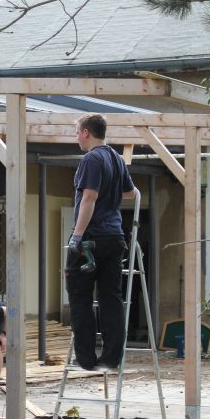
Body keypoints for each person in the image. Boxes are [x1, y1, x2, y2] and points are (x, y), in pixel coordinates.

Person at [67, 113, 137, 371]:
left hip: (91, 238)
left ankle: (85, 359)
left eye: (77, 132)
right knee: (111, 298)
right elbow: (131, 193)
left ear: (86, 132)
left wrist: (77, 234)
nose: (77, 138)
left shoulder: (91, 159)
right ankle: (110, 358)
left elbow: (89, 197)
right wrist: (112, 190)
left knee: (80, 297)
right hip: (114, 236)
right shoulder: (117, 159)